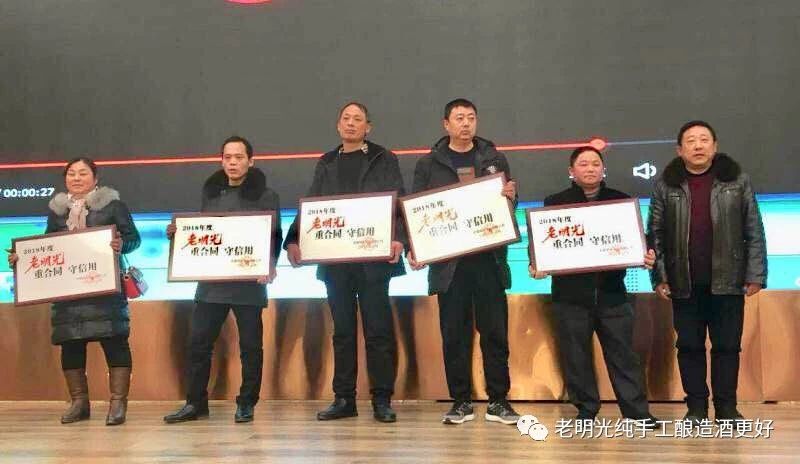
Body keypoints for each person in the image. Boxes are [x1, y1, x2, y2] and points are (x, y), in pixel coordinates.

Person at [284, 102, 406, 423]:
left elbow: (397, 199)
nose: (351, 123)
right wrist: (294, 239)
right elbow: (313, 204)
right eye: (346, 119)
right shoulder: (326, 162)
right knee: (343, 332)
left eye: (358, 119)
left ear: (368, 127)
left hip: (373, 260)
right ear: (338, 126)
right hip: (337, 261)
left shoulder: (384, 158)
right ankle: (344, 398)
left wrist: (399, 238)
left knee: (378, 331)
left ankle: (382, 399)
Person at [530, 146, 659, 428]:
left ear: (603, 169)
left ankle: (637, 412)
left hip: (613, 294)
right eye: (583, 164)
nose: (590, 168)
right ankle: (586, 410)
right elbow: (541, 243)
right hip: (570, 296)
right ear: (571, 171)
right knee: (576, 356)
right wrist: (536, 263)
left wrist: (647, 252)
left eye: (595, 164)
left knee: (624, 356)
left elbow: (640, 239)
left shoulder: (620, 200)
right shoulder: (555, 203)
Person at [409, 98, 520, 425]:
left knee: (495, 333)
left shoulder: (494, 158)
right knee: (454, 334)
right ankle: (461, 402)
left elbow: (507, 206)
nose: (466, 123)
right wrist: (416, 247)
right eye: (459, 118)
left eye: (471, 117)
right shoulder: (428, 164)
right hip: (449, 266)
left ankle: (499, 401)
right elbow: (417, 211)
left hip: (489, 261)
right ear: (446, 124)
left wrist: (512, 197)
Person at [647, 120, 767, 423]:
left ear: (715, 146)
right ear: (680, 150)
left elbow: (754, 229)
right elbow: (655, 234)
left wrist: (755, 274)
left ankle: (727, 409)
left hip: (728, 280)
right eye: (690, 141)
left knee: (727, 347)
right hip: (683, 282)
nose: (698, 146)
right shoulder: (665, 185)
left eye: (704, 139)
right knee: (689, 347)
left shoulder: (737, 181)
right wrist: (659, 276)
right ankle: (696, 409)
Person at [8, 157, 141, 425]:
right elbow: (46, 248)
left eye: (83, 173)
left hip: (105, 290)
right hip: (69, 292)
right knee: (71, 345)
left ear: (95, 178)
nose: (77, 178)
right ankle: (79, 403)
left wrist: (121, 245)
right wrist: (21, 258)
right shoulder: (57, 212)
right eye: (71, 174)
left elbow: (133, 239)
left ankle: (118, 404)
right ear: (65, 178)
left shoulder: (114, 206)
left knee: (115, 342)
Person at [163, 135, 282, 424]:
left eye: (239, 157)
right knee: (198, 344)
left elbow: (274, 235)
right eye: (227, 157)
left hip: (248, 283)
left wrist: (270, 263)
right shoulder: (211, 192)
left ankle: (247, 402)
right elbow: (205, 234)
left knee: (250, 347)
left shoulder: (266, 195)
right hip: (212, 283)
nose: (232, 162)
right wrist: (179, 235)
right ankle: (195, 403)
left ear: (250, 161)